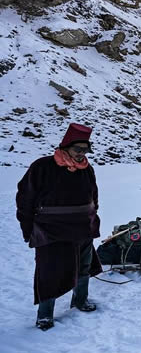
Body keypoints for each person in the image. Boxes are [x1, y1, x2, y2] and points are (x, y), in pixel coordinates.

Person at [16, 123, 103, 331]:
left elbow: (94, 195)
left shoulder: (86, 169)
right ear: (65, 146)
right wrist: (27, 228)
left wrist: (92, 217)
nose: (82, 154)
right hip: (50, 230)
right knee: (49, 272)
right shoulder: (42, 167)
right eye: (78, 149)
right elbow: (25, 199)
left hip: (82, 228)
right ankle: (45, 315)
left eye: (85, 150)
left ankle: (80, 300)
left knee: (83, 267)